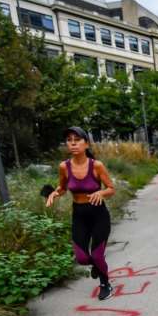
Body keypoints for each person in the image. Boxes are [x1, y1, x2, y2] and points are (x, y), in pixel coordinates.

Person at [45, 127, 116, 301]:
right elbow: (62, 188)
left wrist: (100, 193)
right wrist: (55, 193)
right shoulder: (64, 167)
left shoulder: (96, 166)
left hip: (98, 214)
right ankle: (97, 265)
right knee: (83, 258)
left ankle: (105, 283)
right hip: (79, 215)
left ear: (86, 143)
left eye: (77, 139)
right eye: (69, 140)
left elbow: (111, 189)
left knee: (97, 255)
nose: (73, 143)